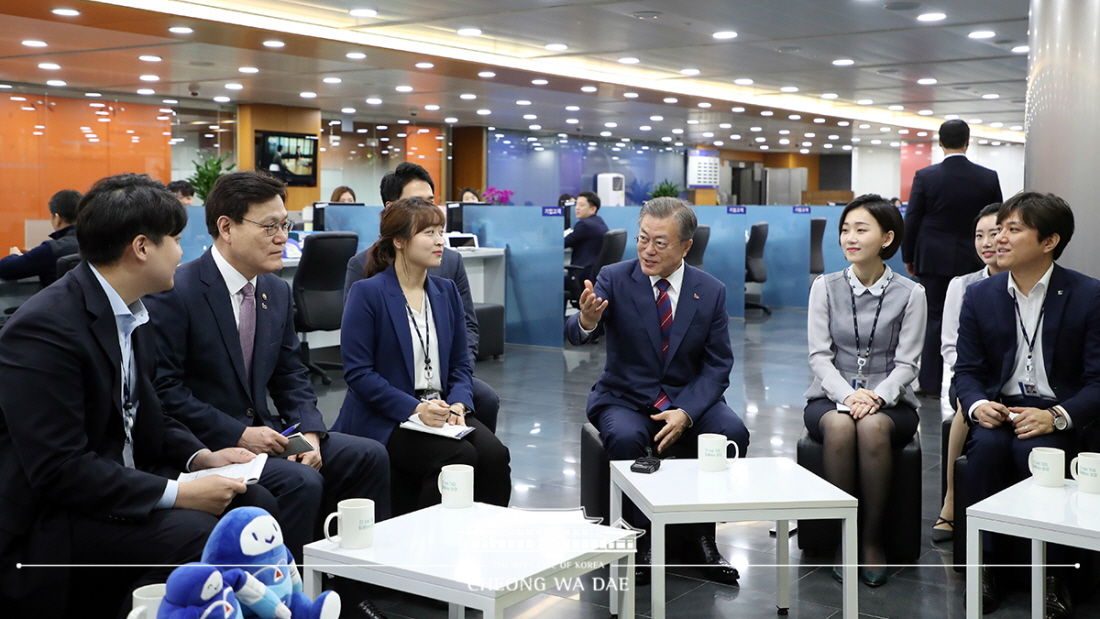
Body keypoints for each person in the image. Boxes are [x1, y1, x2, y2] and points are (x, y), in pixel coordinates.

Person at [0, 174, 278, 618]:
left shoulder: (133, 311)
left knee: (255, 504)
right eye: (174, 239)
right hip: (59, 514)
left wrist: (200, 457)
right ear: (142, 247)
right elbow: (60, 469)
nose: (182, 252)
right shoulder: (45, 329)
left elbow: (149, 412)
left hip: (124, 479)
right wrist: (178, 492)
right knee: (196, 530)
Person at [143, 173, 392, 579]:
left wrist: (309, 432)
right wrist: (238, 434)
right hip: (203, 444)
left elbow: (291, 373)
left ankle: (357, 585)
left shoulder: (274, 291)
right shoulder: (177, 289)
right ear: (226, 227)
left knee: (366, 456)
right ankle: (284, 594)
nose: (282, 237)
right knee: (300, 482)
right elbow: (165, 390)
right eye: (270, 226)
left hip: (266, 435)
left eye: (285, 225)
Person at [565, 197, 749, 586]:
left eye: (660, 242)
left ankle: (702, 538)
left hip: (688, 396)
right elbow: (579, 334)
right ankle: (642, 542)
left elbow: (719, 365)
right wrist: (585, 319)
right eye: (642, 239)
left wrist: (687, 412)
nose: (648, 250)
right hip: (625, 396)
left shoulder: (710, 291)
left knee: (730, 433)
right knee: (628, 437)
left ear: (685, 246)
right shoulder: (615, 278)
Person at [954, 192, 1100, 617]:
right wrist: (978, 403)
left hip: (1059, 411)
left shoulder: (1087, 295)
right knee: (986, 451)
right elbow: (966, 371)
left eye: (1013, 229)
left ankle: (1053, 574)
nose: (999, 238)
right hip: (1000, 408)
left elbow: (1097, 380)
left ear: (1049, 241)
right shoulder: (981, 295)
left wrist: (1056, 416)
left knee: (1040, 455)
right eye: (999, 228)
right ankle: (983, 569)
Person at [334, 197, 511, 511]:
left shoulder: (446, 292)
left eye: (440, 231)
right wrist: (415, 408)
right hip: (387, 414)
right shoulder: (368, 293)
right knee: (458, 457)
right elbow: (359, 374)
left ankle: (482, 541)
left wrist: (459, 402)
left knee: (495, 455)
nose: (439, 241)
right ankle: (423, 547)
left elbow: (459, 362)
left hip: (440, 407)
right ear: (400, 241)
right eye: (428, 232)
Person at [804, 194, 926, 588]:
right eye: (845, 229)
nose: (849, 238)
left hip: (891, 401)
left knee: (872, 427)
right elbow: (820, 357)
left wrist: (875, 396)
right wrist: (847, 396)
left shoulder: (911, 294)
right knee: (840, 428)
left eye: (861, 229)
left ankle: (871, 539)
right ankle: (845, 536)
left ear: (888, 238)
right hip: (829, 395)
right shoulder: (825, 286)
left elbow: (908, 364)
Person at [346, 162, 501, 433]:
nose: (427, 211)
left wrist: (457, 386)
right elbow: (358, 354)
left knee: (485, 405)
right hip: (393, 378)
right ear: (391, 212)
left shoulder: (450, 262)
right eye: (416, 203)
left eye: (430, 202)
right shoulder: (363, 269)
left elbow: (468, 328)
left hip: (441, 375)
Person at [902, 119, 1002, 395]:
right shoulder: (988, 176)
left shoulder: (925, 176)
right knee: (976, 318)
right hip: (976, 257)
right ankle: (975, 380)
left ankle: (931, 383)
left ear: (940, 143)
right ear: (968, 142)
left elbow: (912, 220)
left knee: (934, 319)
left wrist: (908, 255)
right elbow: (998, 218)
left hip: (932, 257)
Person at [932, 202, 1003, 543]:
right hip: (971, 378)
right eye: (979, 235)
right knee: (965, 403)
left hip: (1011, 381)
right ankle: (950, 499)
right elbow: (949, 346)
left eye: (995, 233)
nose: (987, 242)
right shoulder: (963, 285)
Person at [0, 189, 82, 287]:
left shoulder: (52, 249)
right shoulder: (98, 243)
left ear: (57, 218)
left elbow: (5, 269)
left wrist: (15, 256)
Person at [565, 190, 610, 283]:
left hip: (582, 275)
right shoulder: (599, 222)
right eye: (576, 204)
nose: (577, 208)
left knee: (550, 280)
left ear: (593, 209)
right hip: (593, 273)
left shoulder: (584, 225)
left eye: (581, 205)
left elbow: (564, 243)